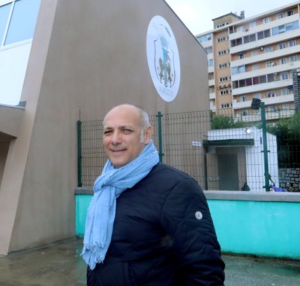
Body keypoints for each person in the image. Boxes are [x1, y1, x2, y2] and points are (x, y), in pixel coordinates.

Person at [82, 104, 225, 285]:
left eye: (126, 130)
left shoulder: (177, 188)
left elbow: (205, 271)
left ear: (147, 134)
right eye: (108, 132)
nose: (115, 139)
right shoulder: (106, 185)